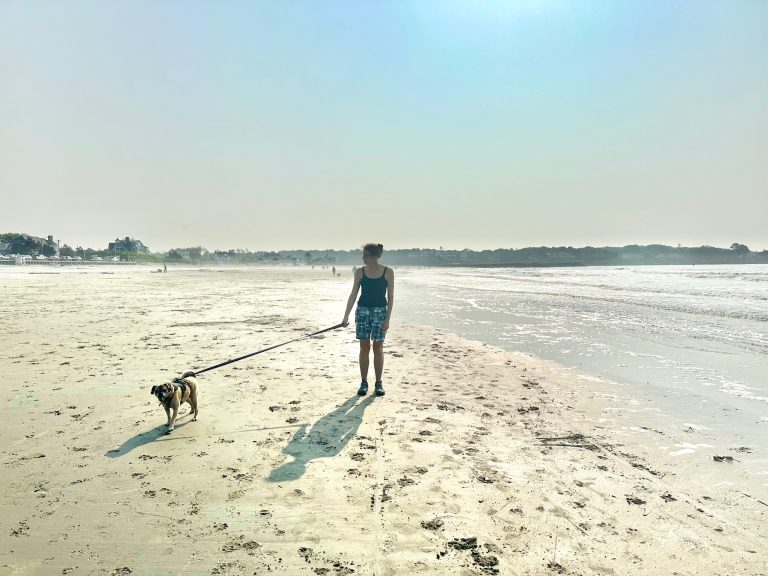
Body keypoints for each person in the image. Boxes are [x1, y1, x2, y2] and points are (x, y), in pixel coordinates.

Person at [342, 243, 394, 397]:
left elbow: (391, 297)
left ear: (374, 256)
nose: (363, 258)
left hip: (380, 312)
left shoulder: (388, 272)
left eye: (365, 255)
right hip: (362, 312)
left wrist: (387, 319)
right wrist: (346, 315)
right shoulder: (360, 272)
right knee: (364, 348)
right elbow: (353, 294)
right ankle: (364, 382)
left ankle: (378, 383)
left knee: (378, 348)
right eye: (362, 255)